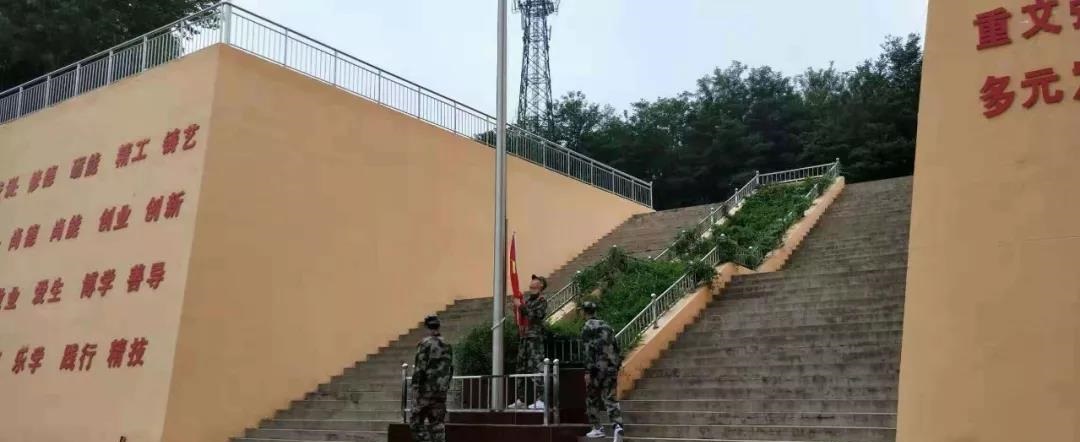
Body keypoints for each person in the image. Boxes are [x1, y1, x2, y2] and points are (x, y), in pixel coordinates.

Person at [580, 301, 625, 441]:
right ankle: (617, 426)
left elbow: (588, 350)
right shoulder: (607, 326)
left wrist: (587, 371)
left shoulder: (587, 327)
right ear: (595, 311)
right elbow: (616, 347)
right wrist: (616, 365)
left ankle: (597, 428)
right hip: (611, 367)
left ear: (584, 312)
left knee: (592, 397)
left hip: (596, 369)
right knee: (610, 397)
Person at [410, 315, 453, 442]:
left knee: (416, 422)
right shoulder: (447, 345)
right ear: (438, 327)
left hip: (426, 391)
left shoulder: (425, 344)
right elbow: (450, 368)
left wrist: (415, 387)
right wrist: (445, 386)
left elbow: (420, 368)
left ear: (426, 327)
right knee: (437, 424)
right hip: (440, 391)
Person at [511, 274, 549, 409]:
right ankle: (521, 398)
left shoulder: (542, 301)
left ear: (541, 285)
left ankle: (541, 399)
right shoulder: (527, 301)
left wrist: (520, 306)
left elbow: (535, 315)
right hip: (524, 338)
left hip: (534, 339)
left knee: (536, 368)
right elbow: (521, 316)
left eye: (535, 281)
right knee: (521, 368)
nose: (532, 283)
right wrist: (517, 307)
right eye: (532, 281)